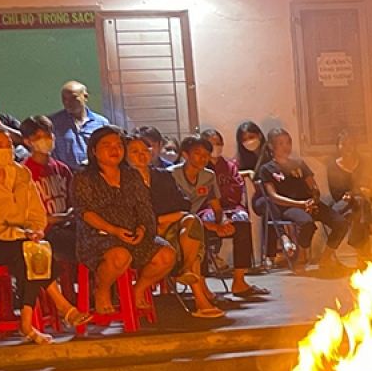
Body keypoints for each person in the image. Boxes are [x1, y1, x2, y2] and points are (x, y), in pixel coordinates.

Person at [0, 126, 89, 347]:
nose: (5, 149)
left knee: (30, 254)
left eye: (8, 145)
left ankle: (28, 322)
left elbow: (36, 210)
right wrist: (21, 233)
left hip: (23, 243)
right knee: (30, 251)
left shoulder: (21, 174)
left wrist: (36, 229)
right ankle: (61, 304)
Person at [71, 126, 178, 317]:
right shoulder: (83, 177)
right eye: (107, 145)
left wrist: (142, 229)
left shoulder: (131, 176)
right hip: (98, 237)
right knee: (121, 256)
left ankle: (138, 290)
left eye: (118, 145)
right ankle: (102, 289)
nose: (114, 150)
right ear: (94, 150)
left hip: (133, 234)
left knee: (166, 255)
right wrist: (113, 230)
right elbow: (85, 212)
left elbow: (144, 208)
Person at [126, 135, 223, 318]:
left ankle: (187, 270)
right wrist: (162, 219)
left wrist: (167, 218)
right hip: (143, 232)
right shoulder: (124, 181)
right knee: (189, 241)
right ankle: (200, 299)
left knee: (192, 222)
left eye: (144, 150)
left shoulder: (162, 175)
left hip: (170, 227)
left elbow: (184, 203)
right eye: (134, 152)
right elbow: (130, 215)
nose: (141, 155)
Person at [174, 134, 265, 299]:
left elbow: (216, 207)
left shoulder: (208, 176)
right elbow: (174, 212)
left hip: (197, 221)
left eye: (206, 155)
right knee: (198, 231)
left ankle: (239, 281)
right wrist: (212, 226)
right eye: (197, 153)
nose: (203, 158)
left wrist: (222, 222)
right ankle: (201, 285)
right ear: (185, 155)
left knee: (241, 226)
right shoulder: (171, 175)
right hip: (177, 223)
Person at [257, 129, 349, 273]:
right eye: (280, 143)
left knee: (341, 223)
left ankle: (327, 257)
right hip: (288, 207)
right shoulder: (267, 169)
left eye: (288, 142)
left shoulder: (299, 164)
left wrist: (314, 199)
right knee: (306, 223)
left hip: (309, 203)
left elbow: (313, 186)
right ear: (271, 146)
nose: (285, 146)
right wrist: (299, 204)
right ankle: (299, 258)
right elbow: (273, 196)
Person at [19, 116, 78, 268]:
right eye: (38, 137)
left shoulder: (62, 169)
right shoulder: (23, 172)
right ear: (27, 142)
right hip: (43, 233)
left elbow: (73, 201)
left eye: (47, 135)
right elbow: (24, 215)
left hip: (66, 225)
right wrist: (59, 218)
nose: (44, 140)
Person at [324, 129, 372, 256]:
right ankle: (364, 252)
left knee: (359, 207)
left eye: (351, 144)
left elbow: (366, 186)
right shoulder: (332, 166)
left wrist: (355, 193)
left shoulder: (362, 163)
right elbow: (335, 192)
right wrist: (351, 195)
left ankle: (328, 257)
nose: (348, 147)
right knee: (360, 207)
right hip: (342, 203)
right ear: (338, 146)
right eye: (344, 144)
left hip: (360, 202)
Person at [47, 80, 109, 167]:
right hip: (65, 176)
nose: (68, 103)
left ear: (85, 97)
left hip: (94, 174)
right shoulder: (53, 122)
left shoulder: (101, 123)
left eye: (73, 98)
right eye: (65, 99)